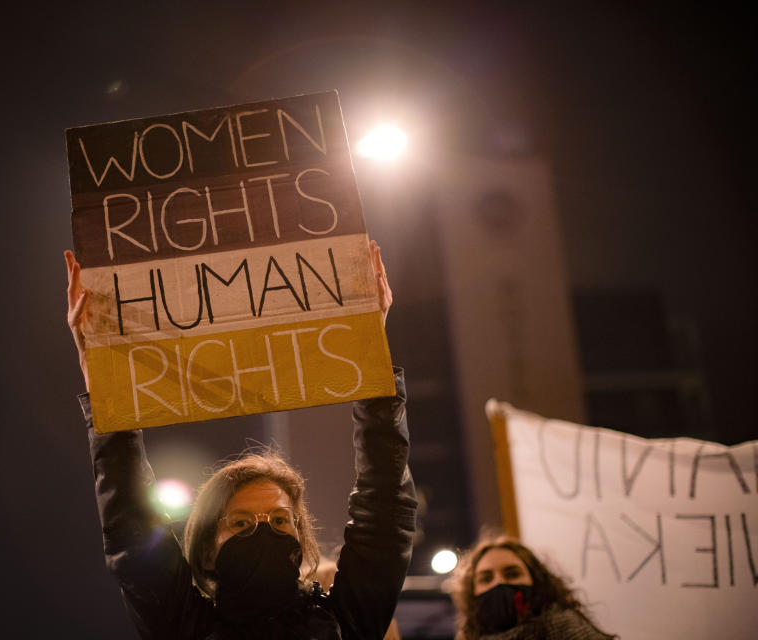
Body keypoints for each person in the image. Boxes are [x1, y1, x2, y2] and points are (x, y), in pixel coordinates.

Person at [64, 241, 417, 639]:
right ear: (209, 548)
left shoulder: (345, 623)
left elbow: (384, 514)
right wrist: (106, 386)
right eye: (242, 523)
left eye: (280, 521)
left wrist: (369, 347)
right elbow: (132, 524)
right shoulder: (184, 627)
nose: (264, 532)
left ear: (301, 536)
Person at [451, 535, 617, 640]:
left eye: (512, 574)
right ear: (471, 593)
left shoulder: (567, 628)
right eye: (486, 579)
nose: (499, 582)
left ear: (536, 581)